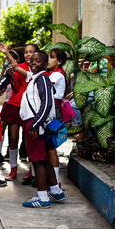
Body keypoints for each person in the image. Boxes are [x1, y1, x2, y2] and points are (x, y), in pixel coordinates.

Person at [18, 51, 66, 208]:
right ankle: (55, 191)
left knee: (38, 161)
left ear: (46, 65)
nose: (33, 63)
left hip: (36, 125)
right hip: (35, 124)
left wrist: (35, 123)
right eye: (31, 60)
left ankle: (43, 197)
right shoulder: (36, 78)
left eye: (37, 61)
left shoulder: (43, 78)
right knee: (43, 160)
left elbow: (46, 104)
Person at [0, 43, 39, 181]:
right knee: (13, 138)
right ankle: (13, 169)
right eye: (26, 52)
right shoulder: (19, 67)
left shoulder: (38, 69)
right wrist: (11, 76)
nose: (28, 54)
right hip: (15, 105)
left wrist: (6, 53)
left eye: (31, 52)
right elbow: (15, 89)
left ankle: (32, 171)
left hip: (30, 108)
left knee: (30, 141)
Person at [46, 48, 67, 186]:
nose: (48, 60)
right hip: (52, 110)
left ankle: (56, 181)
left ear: (59, 61)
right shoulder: (54, 73)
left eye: (52, 57)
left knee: (51, 147)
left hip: (54, 112)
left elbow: (44, 87)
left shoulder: (56, 75)